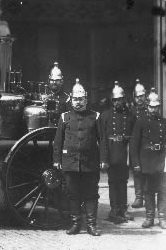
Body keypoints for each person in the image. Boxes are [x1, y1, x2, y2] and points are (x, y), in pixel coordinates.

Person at [53, 79, 106, 236]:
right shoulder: (64, 117)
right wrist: (56, 160)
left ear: (86, 99)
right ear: (71, 99)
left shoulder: (95, 116)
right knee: (73, 193)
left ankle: (91, 225)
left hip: (90, 162)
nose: (78, 102)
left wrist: (104, 160)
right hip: (70, 162)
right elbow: (58, 141)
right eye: (75, 99)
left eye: (81, 99)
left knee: (91, 193)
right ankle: (75, 224)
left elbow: (102, 140)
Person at [99, 81, 135, 224]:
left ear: (123, 99)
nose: (117, 102)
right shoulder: (105, 115)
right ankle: (114, 209)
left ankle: (123, 209)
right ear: (111, 100)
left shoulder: (130, 115)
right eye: (115, 100)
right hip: (111, 151)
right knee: (113, 182)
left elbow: (133, 135)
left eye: (119, 99)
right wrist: (104, 159)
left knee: (123, 181)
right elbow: (102, 139)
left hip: (124, 152)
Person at [131, 88, 166, 229]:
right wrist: (136, 164)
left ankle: (162, 218)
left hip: (161, 160)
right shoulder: (141, 122)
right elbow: (134, 145)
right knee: (149, 190)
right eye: (151, 107)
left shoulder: (164, 122)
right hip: (147, 160)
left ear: (159, 107)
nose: (153, 109)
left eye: (156, 107)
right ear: (147, 107)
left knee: (163, 190)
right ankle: (149, 217)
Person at [129, 78, 148, 209]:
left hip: (147, 146)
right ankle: (139, 197)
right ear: (134, 97)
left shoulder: (151, 110)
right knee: (136, 171)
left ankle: (148, 198)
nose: (140, 99)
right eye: (137, 97)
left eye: (142, 96)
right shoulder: (131, 112)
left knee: (147, 171)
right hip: (135, 146)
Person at [46, 62, 71, 126]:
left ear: (61, 81)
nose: (54, 82)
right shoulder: (43, 97)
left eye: (57, 80)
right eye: (52, 80)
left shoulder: (67, 99)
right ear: (49, 80)